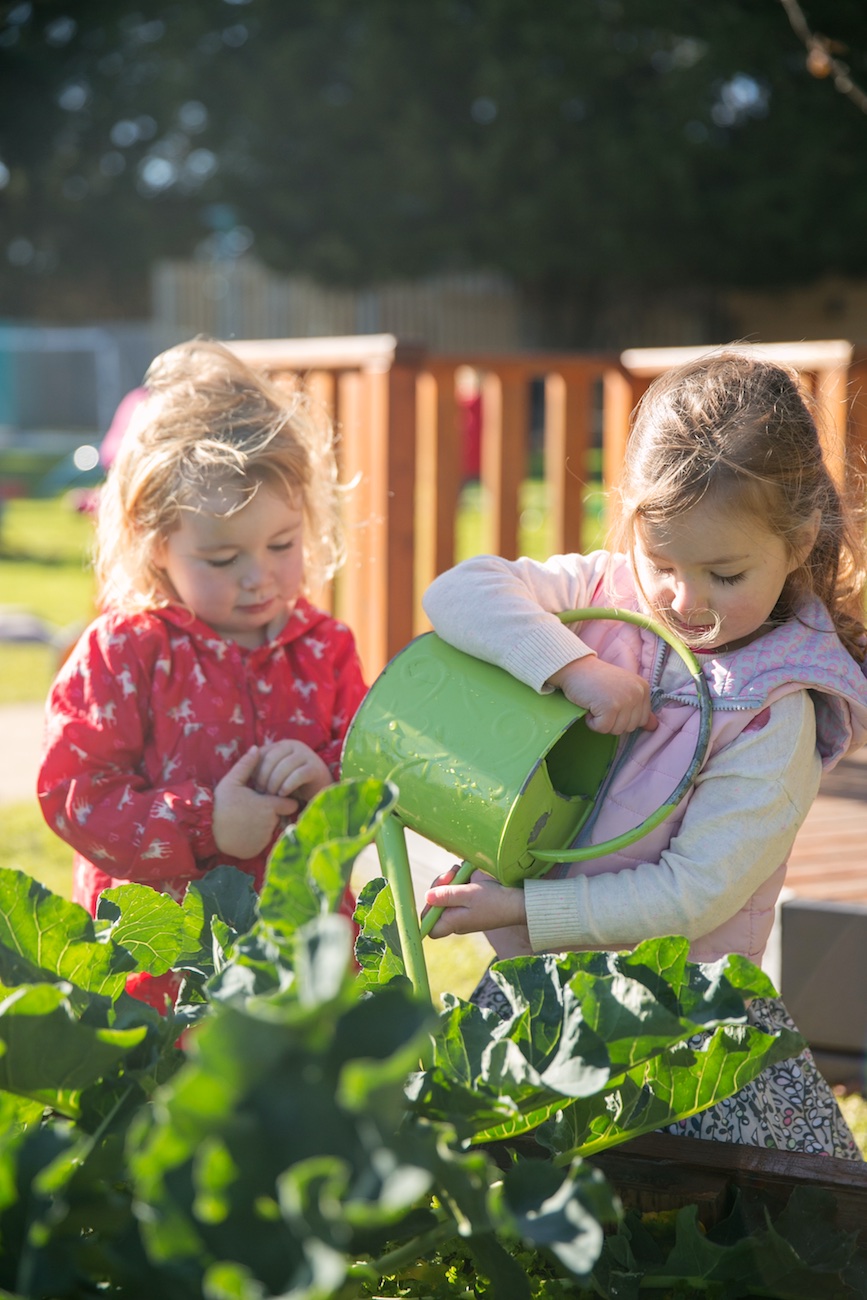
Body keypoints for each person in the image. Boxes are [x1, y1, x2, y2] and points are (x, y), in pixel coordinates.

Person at [422, 350, 867, 1158]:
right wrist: (572, 666)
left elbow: (691, 896)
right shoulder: (604, 596)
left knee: (694, 1224)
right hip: (550, 987)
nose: (684, 601)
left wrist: (526, 913)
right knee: (495, 1191)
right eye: (662, 563)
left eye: (724, 574)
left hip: (676, 1019)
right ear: (632, 522)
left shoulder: (775, 709)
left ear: (798, 540)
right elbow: (455, 592)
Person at [39, 338, 367, 1008]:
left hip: (298, 944)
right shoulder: (125, 651)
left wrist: (326, 775)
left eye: (282, 545)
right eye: (220, 558)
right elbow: (76, 796)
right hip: (161, 964)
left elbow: (369, 763)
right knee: (167, 1103)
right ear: (156, 542)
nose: (258, 576)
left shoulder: (325, 645)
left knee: (296, 1098)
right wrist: (206, 823)